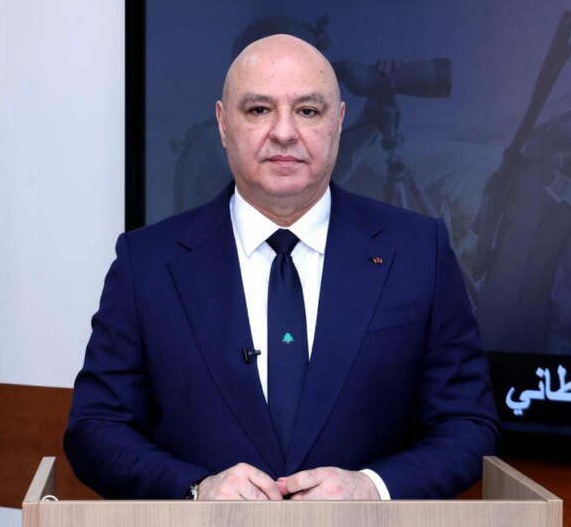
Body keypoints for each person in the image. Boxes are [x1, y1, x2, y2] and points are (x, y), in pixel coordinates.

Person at [64, 33, 500, 501]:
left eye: (308, 111)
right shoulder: (147, 262)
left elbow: (468, 424)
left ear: (338, 122)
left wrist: (372, 489)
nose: (284, 132)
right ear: (222, 124)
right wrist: (195, 491)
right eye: (259, 109)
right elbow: (96, 427)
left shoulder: (418, 251)